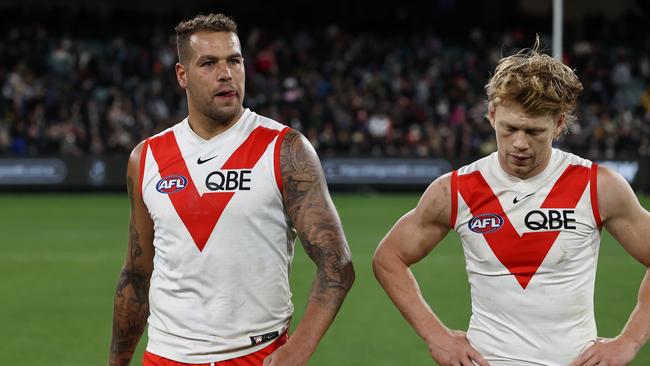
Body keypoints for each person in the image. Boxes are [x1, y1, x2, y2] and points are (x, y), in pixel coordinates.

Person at [373, 39, 650, 366]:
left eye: (534, 131)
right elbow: (388, 258)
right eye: (509, 128)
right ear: (491, 116)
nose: (519, 143)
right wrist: (435, 335)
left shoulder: (598, 186)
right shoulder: (456, 190)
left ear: (559, 124)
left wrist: (628, 342)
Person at [108, 13, 354, 366]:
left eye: (234, 61)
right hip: (165, 357)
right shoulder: (146, 158)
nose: (226, 74)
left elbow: (338, 265)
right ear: (182, 75)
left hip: (257, 355)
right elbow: (136, 273)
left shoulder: (285, 150)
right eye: (208, 63)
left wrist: (299, 349)